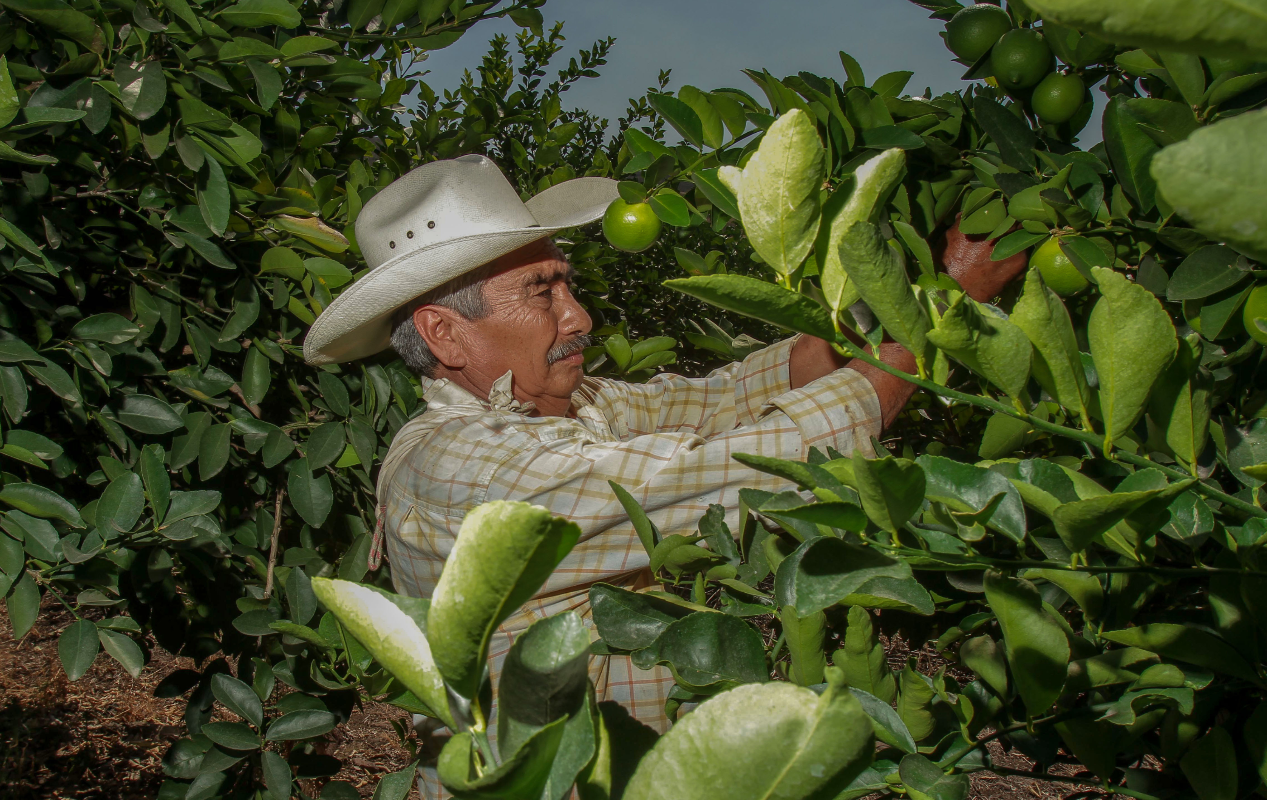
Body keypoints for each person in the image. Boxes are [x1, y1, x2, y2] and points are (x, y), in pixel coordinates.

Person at [303, 154, 1025, 796]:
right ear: (444, 334)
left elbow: (733, 396)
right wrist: (937, 315)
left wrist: (903, 287)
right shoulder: (455, 464)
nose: (578, 315)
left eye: (568, 286)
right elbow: (726, 473)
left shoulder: (570, 407)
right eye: (542, 293)